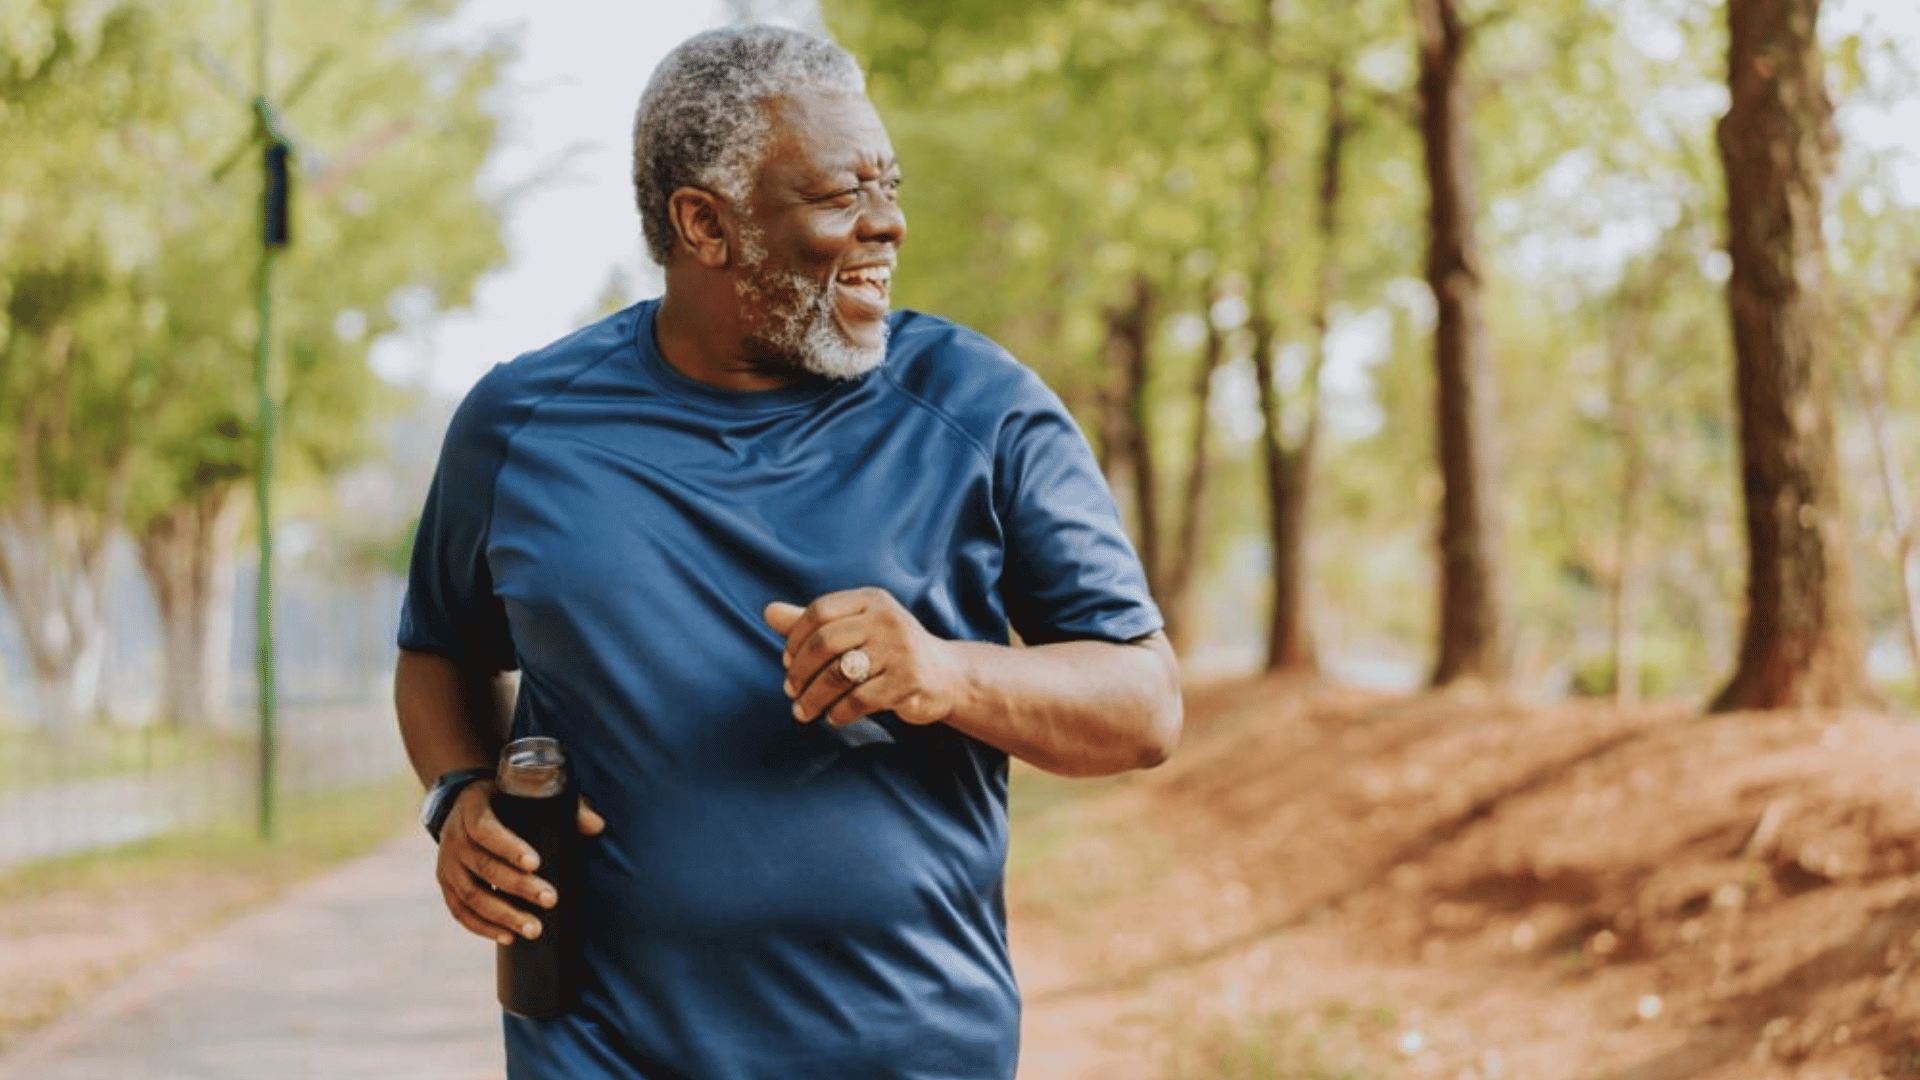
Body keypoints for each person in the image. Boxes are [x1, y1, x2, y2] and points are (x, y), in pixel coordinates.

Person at [393, 23, 1181, 1080]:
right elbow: (438, 650)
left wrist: (946, 671)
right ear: (704, 224)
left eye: (888, 186)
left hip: (909, 1050)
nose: (888, 223)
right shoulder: (521, 425)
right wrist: (458, 795)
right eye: (838, 197)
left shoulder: (982, 412)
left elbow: (1143, 706)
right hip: (598, 1046)